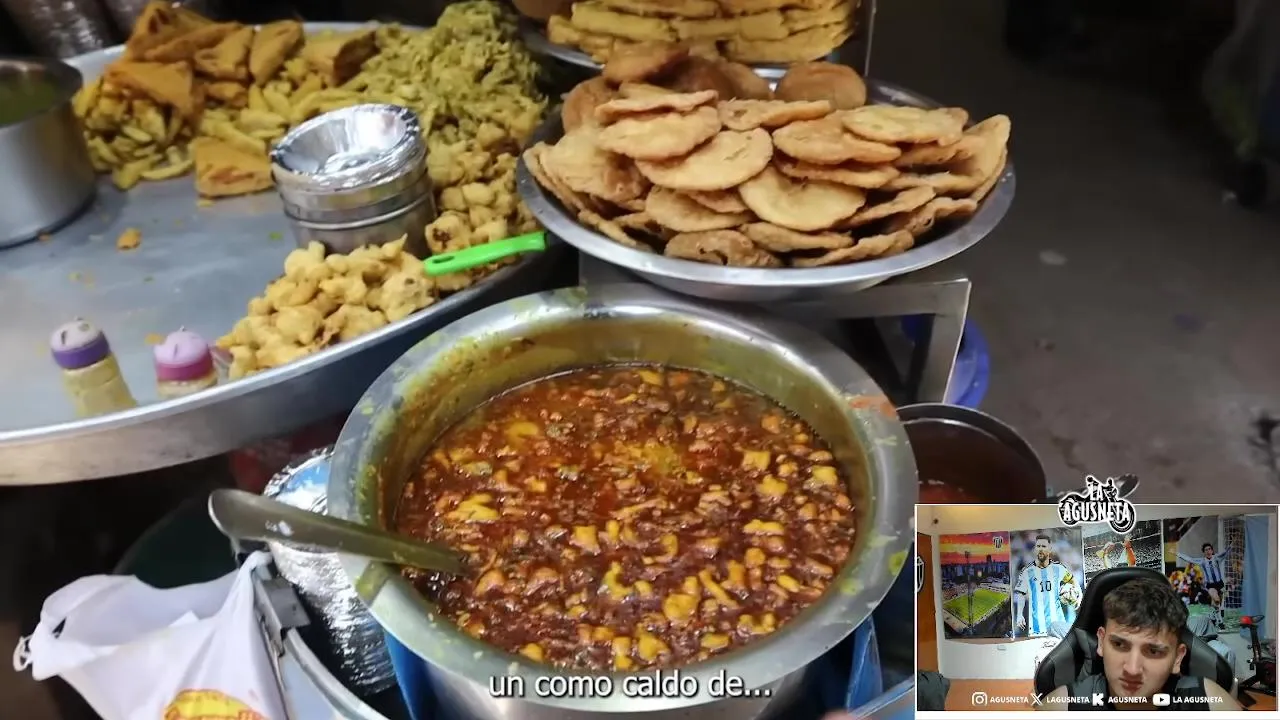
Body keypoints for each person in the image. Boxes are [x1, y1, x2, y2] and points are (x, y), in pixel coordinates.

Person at [1038, 577, 1240, 712]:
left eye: (1153, 651)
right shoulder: (1063, 707)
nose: (1132, 669)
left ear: (1177, 659)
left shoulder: (1209, 702)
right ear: (1101, 641)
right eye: (1119, 644)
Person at [1015, 534, 1078, 638]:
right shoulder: (1032, 573)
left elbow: (1071, 600)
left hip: (1061, 625)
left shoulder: (1061, 574)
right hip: (1040, 628)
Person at [1176, 542, 1232, 627]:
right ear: (1204, 552)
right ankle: (1220, 622)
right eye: (1206, 550)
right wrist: (1177, 553)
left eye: (1209, 549)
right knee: (1217, 600)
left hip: (1220, 584)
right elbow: (1189, 559)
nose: (1208, 551)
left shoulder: (1217, 558)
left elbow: (1226, 552)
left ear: (1212, 551)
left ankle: (1213, 616)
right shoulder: (1202, 561)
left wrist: (1232, 543)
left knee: (1217, 604)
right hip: (1210, 585)